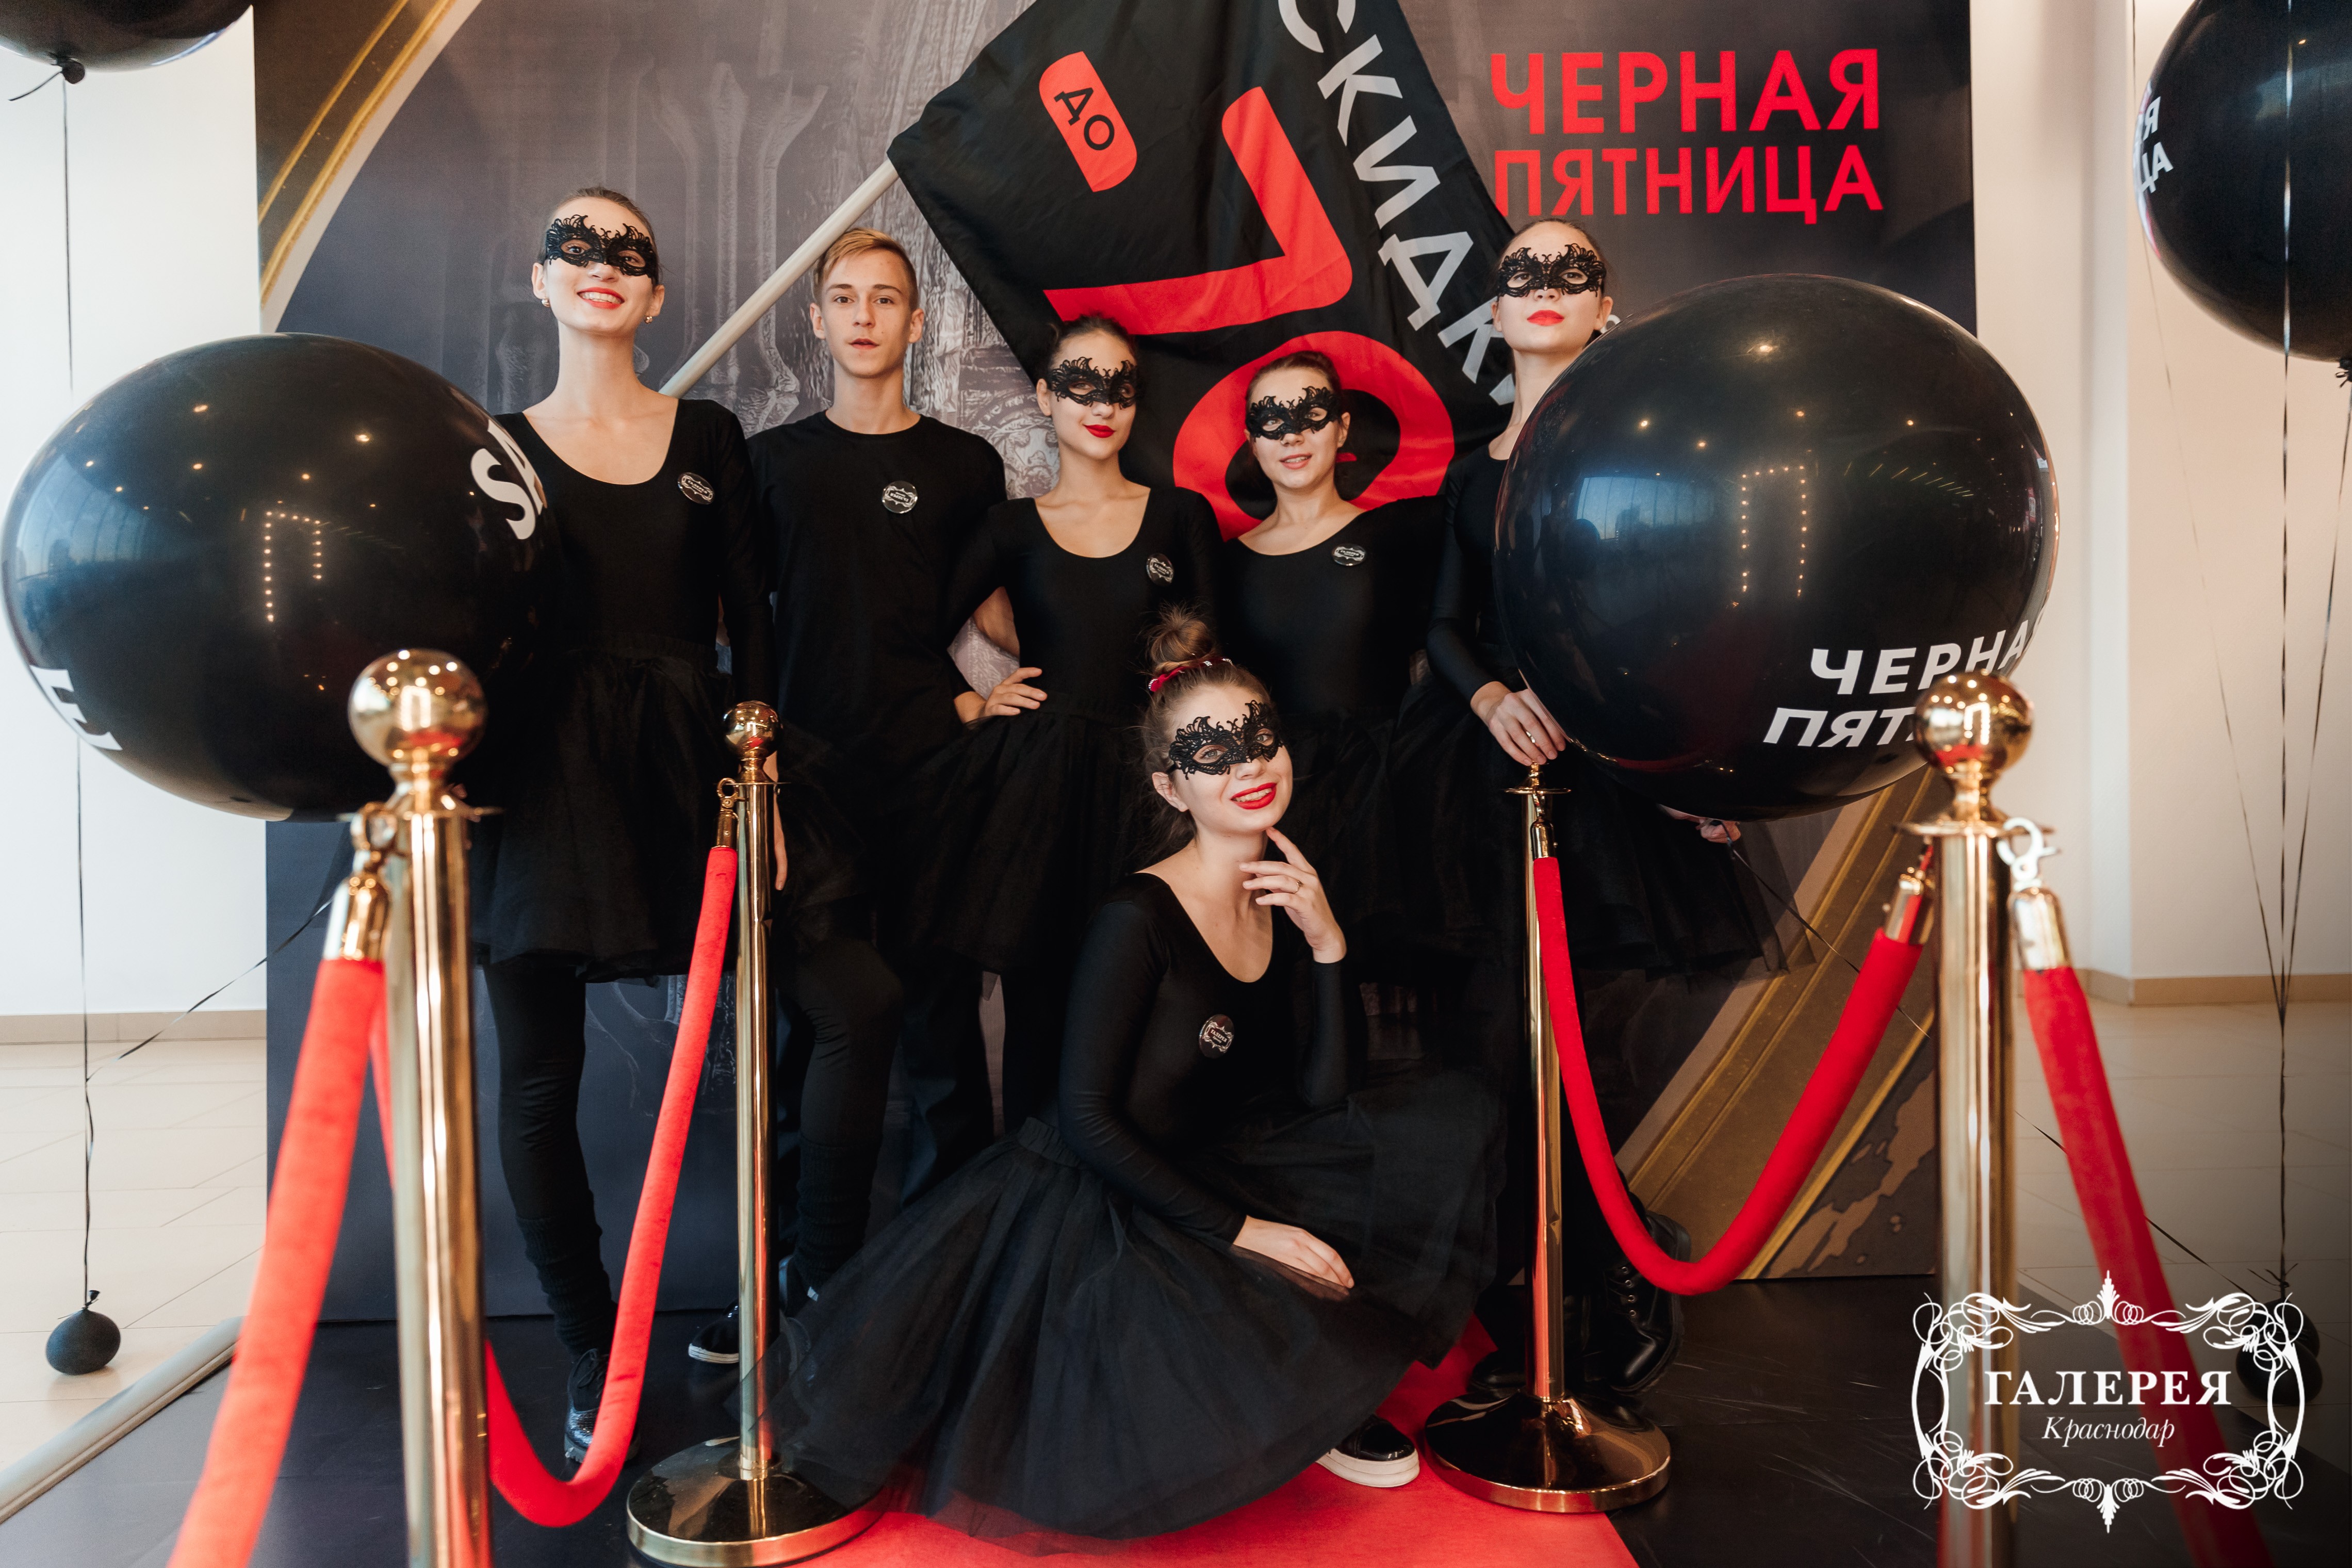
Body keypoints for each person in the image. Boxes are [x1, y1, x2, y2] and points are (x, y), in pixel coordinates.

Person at [759, 621, 1502, 1540]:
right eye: (1213, 752)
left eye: (1260, 737)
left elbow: (1322, 1099)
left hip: (1219, 1157)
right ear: (1170, 788)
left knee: (1443, 1127)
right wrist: (1250, 1234)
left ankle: (1307, 1396)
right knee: (1152, 1368)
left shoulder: (1285, 892)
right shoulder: (1135, 917)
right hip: (1095, 1193)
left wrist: (1328, 948)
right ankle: (1278, 1384)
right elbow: (1088, 1122)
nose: (1248, 765)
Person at [466, 187, 858, 1458]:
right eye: (573, 244)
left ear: (657, 291)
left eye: (625, 250)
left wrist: (762, 779)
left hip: (694, 768)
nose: (600, 263)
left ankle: (800, 1291)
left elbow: (755, 620)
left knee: (836, 1009)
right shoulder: (491, 447)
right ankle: (591, 1344)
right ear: (540, 280)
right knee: (539, 1078)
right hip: (541, 780)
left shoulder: (710, 435)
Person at [1389, 219, 1775, 1400]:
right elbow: (1441, 624)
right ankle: (1536, 1307)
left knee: (1577, 1060)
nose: (1545, 287)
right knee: (1499, 1061)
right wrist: (1492, 697)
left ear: (1607, 306)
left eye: (1572, 271)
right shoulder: (1472, 472)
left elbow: (1686, 615)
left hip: (1610, 778)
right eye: (1523, 273)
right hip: (1488, 780)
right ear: (1496, 311)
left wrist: (1689, 775)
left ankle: (1610, 1283)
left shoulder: (1646, 453)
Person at [747, 228, 1008, 1224]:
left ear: (918, 321)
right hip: (806, 787)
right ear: (817, 322)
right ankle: (801, 1263)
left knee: (942, 1022)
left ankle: (949, 1256)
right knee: (811, 1032)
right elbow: (731, 617)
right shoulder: (769, 464)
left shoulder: (965, 465)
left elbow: (1000, 612)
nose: (865, 316)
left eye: (886, 299)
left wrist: (1036, 682)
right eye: (847, 299)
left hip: (931, 776)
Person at [903, 316, 1222, 1131]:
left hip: (1153, 790)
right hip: (1039, 792)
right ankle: (1034, 1189)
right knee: (1040, 1005)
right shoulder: (1009, 527)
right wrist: (971, 701)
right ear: (1045, 397)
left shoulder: (1180, 517)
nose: (1102, 404)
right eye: (1081, 383)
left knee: (1153, 1003)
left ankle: (1134, 1186)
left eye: (1121, 387)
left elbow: (1214, 665)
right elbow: (915, 636)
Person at [1213, 351, 1444, 960]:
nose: (1292, 435)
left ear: (1342, 429)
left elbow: (1461, 635)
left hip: (1388, 796)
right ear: (1252, 441)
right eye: (1273, 420)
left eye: (1310, 415)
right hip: (1275, 793)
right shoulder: (1223, 564)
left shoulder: (1401, 533)